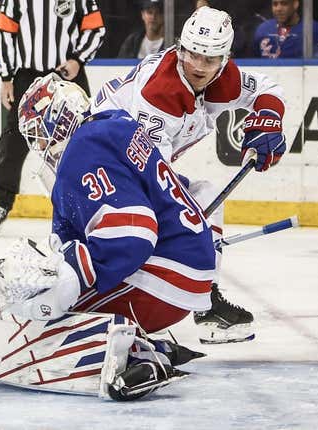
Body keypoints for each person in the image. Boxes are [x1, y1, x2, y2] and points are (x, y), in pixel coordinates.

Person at [0, 74, 212, 399]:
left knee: (47, 316)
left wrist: (66, 278)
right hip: (189, 267)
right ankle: (145, 346)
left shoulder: (83, 148)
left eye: (39, 134)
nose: (39, 146)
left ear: (59, 117)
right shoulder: (115, 127)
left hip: (165, 279)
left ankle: (136, 356)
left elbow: (133, 234)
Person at [91, 6, 287, 344]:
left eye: (209, 59)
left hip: (134, 159)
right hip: (101, 160)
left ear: (224, 58)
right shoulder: (159, 94)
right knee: (148, 229)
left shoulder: (224, 77)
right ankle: (95, 295)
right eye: (192, 54)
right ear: (182, 47)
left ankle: (206, 304)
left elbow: (266, 87)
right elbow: (152, 177)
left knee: (205, 196)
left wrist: (268, 118)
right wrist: (184, 232)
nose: (197, 65)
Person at [0, 0, 106, 236]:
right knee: (14, 137)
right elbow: (6, 33)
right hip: (28, 75)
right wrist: (6, 77)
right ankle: (1, 202)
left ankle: (93, 201)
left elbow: (96, 28)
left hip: (67, 72)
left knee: (83, 137)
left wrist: (77, 60)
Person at [253, 0, 318, 58]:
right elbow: (254, 61)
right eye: (275, 4)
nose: (279, 8)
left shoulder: (314, 29)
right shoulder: (263, 29)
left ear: (295, 4)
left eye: (284, 3)